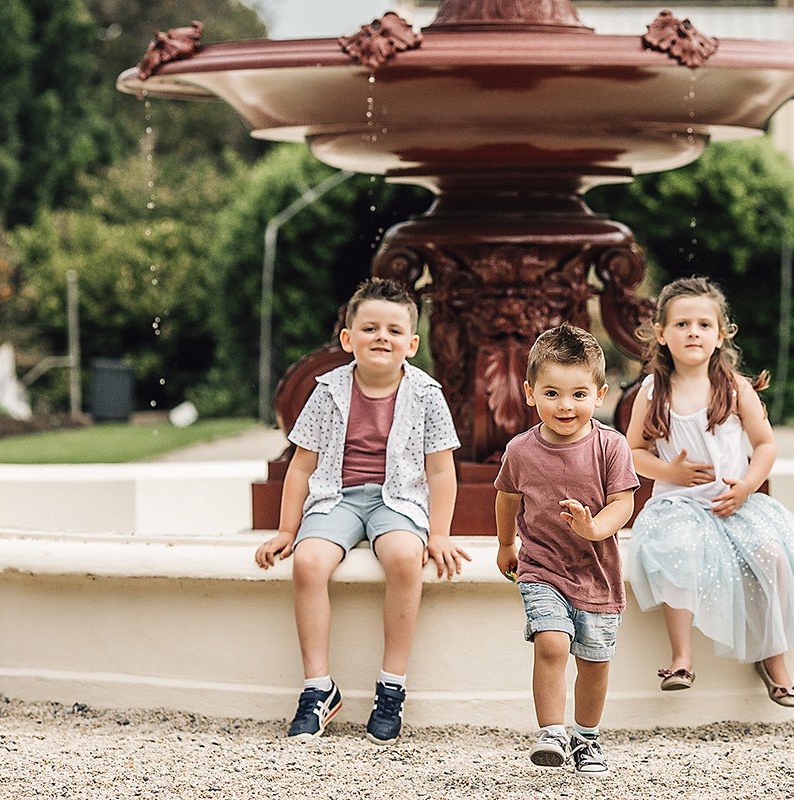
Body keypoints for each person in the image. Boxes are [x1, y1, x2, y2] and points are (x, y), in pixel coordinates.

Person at [254, 277, 468, 744]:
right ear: (348, 339)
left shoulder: (427, 395)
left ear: (411, 344)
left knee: (404, 559)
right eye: (369, 328)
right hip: (338, 497)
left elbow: (440, 472)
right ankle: (318, 688)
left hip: (399, 500)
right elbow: (301, 465)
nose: (381, 338)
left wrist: (439, 533)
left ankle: (391, 685)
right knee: (309, 563)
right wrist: (287, 529)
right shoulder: (327, 390)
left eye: (394, 330)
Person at [625, 276, 794, 706]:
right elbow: (631, 450)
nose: (693, 332)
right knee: (676, 549)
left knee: (773, 556)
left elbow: (766, 444)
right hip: (677, 505)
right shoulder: (652, 391)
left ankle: (773, 657)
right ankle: (681, 656)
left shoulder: (735, 388)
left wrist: (748, 485)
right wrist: (668, 470)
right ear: (661, 333)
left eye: (703, 325)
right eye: (681, 324)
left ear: (720, 335)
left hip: (734, 504)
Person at [494, 324, 639, 776]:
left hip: (597, 572)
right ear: (530, 393)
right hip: (542, 567)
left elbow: (624, 503)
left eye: (578, 394)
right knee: (552, 644)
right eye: (552, 393)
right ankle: (552, 732)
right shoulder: (520, 450)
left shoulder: (610, 446)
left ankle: (587, 738)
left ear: (599, 395)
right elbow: (507, 497)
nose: (565, 405)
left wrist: (595, 528)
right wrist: (505, 543)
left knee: (594, 663)